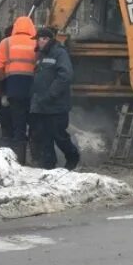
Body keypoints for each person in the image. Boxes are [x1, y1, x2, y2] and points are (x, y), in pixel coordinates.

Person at [30, 26, 80, 170]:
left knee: (59, 136)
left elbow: (65, 76)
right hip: (42, 105)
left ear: (46, 39)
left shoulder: (59, 53)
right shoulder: (40, 56)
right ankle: (49, 166)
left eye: (40, 40)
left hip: (57, 105)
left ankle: (72, 157)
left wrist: (51, 94)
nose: (38, 43)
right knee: (45, 138)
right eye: (37, 40)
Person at [0, 16, 37, 164]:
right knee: (34, 121)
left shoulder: (6, 43)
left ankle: (20, 159)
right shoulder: (37, 42)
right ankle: (36, 155)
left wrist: (3, 80)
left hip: (14, 87)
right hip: (33, 88)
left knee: (18, 123)